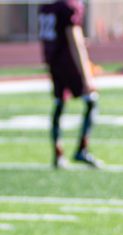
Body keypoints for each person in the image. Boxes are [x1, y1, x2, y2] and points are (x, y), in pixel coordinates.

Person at [38, 0, 102, 169]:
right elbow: (75, 40)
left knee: (59, 103)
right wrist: (87, 74)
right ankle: (82, 148)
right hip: (69, 62)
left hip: (54, 61)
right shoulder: (68, 6)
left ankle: (58, 153)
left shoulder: (47, 6)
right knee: (92, 100)